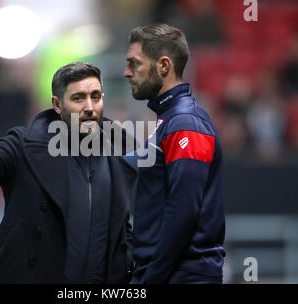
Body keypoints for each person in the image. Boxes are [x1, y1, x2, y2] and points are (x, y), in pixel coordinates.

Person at [0, 62, 137, 283]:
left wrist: (126, 262)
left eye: (96, 96)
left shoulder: (120, 151)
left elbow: (127, 224)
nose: (90, 107)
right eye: (78, 98)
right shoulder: (25, 146)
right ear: (57, 104)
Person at [124, 24, 226, 284]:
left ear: (164, 66)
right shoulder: (169, 121)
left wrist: (151, 279)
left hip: (180, 277)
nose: (127, 73)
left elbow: (184, 210)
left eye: (134, 64)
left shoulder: (185, 123)